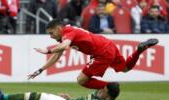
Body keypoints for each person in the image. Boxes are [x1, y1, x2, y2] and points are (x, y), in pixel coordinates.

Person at [28, 19, 158, 90]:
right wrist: (40, 70)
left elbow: (64, 46)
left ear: (58, 29)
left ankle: (110, 88)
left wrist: (48, 50)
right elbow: (57, 55)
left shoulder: (68, 31)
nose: (50, 37)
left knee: (81, 80)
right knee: (125, 68)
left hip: (102, 52)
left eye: (51, 33)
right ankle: (139, 50)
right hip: (108, 45)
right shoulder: (66, 34)